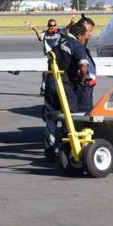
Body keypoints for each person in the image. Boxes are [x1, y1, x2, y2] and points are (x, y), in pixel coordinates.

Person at [42, 22, 90, 159]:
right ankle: (67, 148)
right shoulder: (76, 45)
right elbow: (83, 66)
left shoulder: (58, 41)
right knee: (70, 116)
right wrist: (83, 77)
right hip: (65, 83)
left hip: (51, 81)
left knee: (51, 117)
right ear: (80, 35)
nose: (85, 39)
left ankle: (49, 152)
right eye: (85, 36)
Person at [28, 19, 61, 95]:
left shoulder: (60, 32)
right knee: (46, 73)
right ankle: (43, 88)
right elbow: (40, 38)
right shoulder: (45, 33)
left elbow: (67, 29)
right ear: (48, 26)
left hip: (59, 56)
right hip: (49, 56)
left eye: (54, 25)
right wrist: (36, 30)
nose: (52, 27)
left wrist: (71, 22)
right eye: (50, 25)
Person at [73, 16, 97, 111]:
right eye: (89, 30)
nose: (91, 34)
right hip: (83, 87)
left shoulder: (83, 46)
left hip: (87, 86)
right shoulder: (77, 46)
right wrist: (84, 79)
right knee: (83, 113)